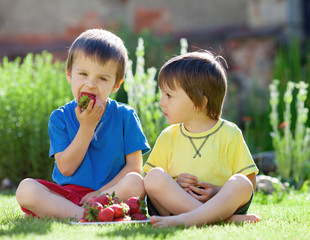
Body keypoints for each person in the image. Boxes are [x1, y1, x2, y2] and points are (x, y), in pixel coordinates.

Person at [16, 29, 150, 219]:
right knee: (26, 189)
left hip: (110, 193)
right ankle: (83, 214)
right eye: (83, 74)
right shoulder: (60, 117)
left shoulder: (125, 116)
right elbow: (66, 168)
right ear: (69, 74)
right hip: (70, 196)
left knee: (136, 182)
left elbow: (134, 168)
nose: (91, 84)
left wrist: (100, 194)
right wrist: (87, 127)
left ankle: (94, 211)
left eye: (102, 78)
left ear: (116, 85)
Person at [143, 51, 260, 228]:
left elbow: (250, 183)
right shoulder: (168, 136)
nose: (161, 102)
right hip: (175, 207)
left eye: (169, 95)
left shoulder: (230, 134)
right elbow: (153, 186)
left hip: (221, 205)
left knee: (241, 183)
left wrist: (217, 192)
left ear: (199, 102)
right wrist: (176, 184)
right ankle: (219, 220)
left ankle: (191, 218)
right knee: (153, 177)